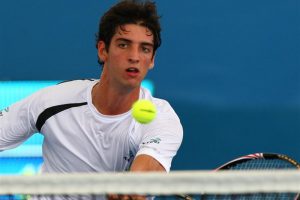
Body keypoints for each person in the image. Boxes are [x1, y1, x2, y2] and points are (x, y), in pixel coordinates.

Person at [0, 0, 183, 193]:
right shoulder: (53, 102)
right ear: (103, 50)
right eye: (123, 45)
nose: (134, 57)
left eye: (145, 49)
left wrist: (131, 189)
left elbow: (148, 168)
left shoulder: (161, 117)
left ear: (152, 59)